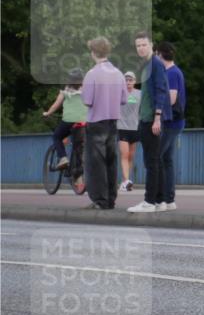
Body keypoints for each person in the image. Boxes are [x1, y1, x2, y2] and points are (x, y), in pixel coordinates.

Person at [80, 37, 127, 210]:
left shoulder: (92, 74)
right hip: (113, 122)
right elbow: (123, 100)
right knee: (111, 161)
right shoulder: (118, 73)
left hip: (96, 122)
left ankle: (100, 200)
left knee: (96, 163)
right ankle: (111, 199)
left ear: (93, 53)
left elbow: (87, 101)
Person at [128, 32, 171, 214]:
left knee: (151, 161)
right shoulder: (147, 65)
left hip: (151, 120)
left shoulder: (155, 64)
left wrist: (157, 118)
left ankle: (149, 201)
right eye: (138, 45)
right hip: (146, 118)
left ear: (151, 45)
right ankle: (161, 200)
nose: (141, 48)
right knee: (156, 160)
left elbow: (161, 90)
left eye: (144, 45)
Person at [155, 41, 186, 211]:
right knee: (167, 160)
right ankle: (169, 199)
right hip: (174, 122)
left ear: (160, 55)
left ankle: (161, 199)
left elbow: (172, 98)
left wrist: (156, 105)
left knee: (158, 157)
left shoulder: (172, 73)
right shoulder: (173, 72)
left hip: (170, 122)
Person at [42, 68, 86, 180]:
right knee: (79, 145)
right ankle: (79, 170)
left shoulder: (65, 91)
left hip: (68, 121)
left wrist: (47, 113)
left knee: (57, 136)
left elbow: (55, 105)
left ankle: (63, 158)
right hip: (84, 122)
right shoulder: (87, 90)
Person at [117, 71, 141, 192]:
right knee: (124, 155)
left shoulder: (140, 94)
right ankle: (127, 181)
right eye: (126, 80)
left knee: (131, 156)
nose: (128, 82)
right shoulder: (118, 93)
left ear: (135, 81)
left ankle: (124, 181)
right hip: (122, 128)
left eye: (130, 80)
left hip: (135, 128)